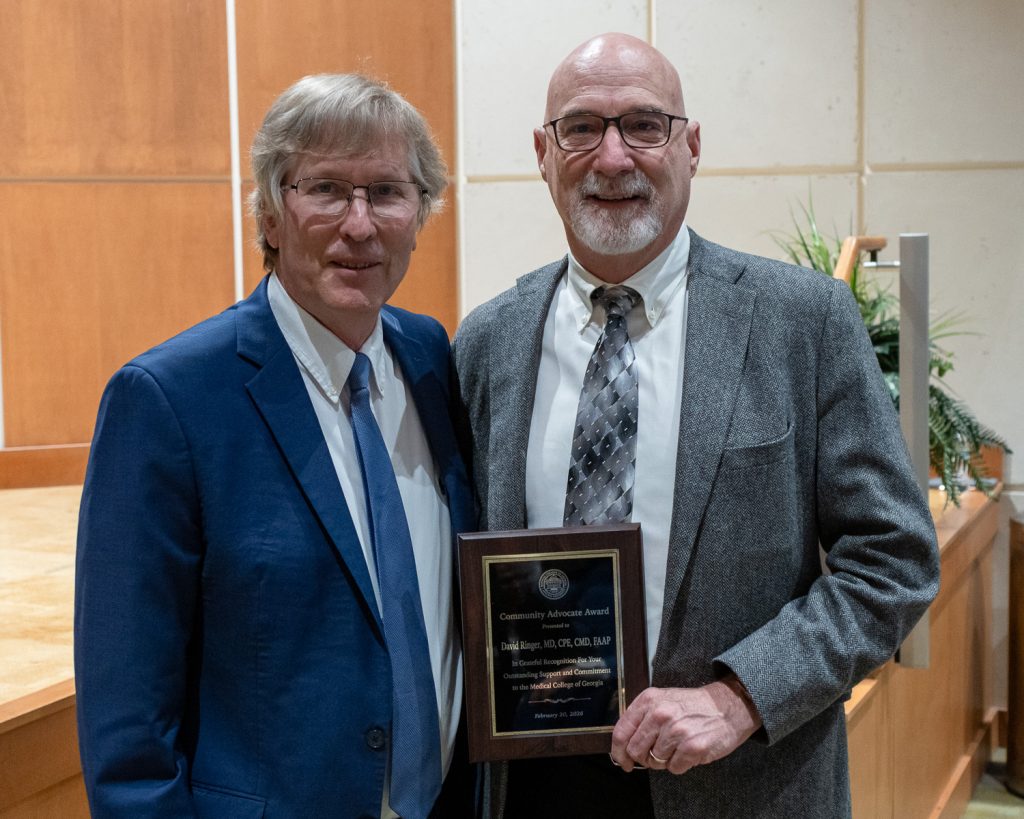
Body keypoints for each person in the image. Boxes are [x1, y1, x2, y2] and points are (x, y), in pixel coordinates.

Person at [453, 33, 940, 818]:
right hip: (532, 785)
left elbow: (894, 560)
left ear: (692, 146)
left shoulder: (801, 322)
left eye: (645, 125)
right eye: (582, 128)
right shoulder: (488, 340)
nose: (613, 157)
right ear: (543, 153)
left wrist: (741, 695)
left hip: (742, 780)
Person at [75, 73, 474, 818]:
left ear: (421, 215)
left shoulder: (428, 359)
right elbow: (129, 730)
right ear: (268, 214)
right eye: (325, 189)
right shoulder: (168, 398)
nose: (359, 225)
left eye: (388, 192)